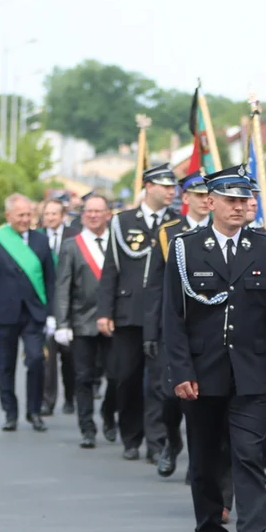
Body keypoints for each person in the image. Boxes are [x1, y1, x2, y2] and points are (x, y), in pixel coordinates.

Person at [162, 164, 266, 532]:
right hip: (203, 374)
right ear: (211, 202)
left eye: (244, 199)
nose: (239, 207)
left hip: (251, 372)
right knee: (204, 459)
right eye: (231, 200)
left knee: (249, 454)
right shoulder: (185, 248)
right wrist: (181, 371)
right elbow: (173, 315)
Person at [96, 163, 180, 462]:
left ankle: (157, 443)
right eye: (165, 186)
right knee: (126, 378)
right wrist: (104, 311)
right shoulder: (122, 222)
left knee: (159, 382)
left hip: (160, 315)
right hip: (128, 312)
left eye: (174, 186)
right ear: (148, 186)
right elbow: (110, 270)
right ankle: (131, 436)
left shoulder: (176, 222)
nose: (172, 191)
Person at [145, 170, 212, 478]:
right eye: (198, 195)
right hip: (175, 325)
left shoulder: (221, 230)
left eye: (207, 195)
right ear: (186, 198)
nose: (204, 201)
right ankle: (172, 442)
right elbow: (156, 285)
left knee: (205, 398)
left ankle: (198, 462)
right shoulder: (168, 232)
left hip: (210, 327)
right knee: (171, 394)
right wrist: (151, 330)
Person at [0, 193, 56, 432]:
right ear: (8, 216)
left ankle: (34, 411)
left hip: (34, 313)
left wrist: (51, 313)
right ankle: (10, 412)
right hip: (4, 313)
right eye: (20, 215)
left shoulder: (41, 241)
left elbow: (51, 281)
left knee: (36, 360)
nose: (25, 219)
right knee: (5, 365)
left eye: (29, 214)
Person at [53, 194, 118, 448]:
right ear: (83, 215)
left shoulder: (116, 242)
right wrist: (62, 323)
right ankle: (87, 428)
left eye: (98, 211)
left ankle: (109, 416)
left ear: (107, 215)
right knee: (84, 377)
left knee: (116, 376)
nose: (92, 215)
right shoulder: (71, 245)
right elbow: (62, 287)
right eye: (88, 211)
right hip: (82, 322)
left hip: (113, 322)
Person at [39, 199, 80, 417]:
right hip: (46, 306)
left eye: (54, 214)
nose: (50, 218)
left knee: (69, 356)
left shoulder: (75, 235)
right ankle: (48, 400)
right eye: (47, 214)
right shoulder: (37, 237)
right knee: (48, 357)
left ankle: (70, 397)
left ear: (62, 215)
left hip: (71, 305)